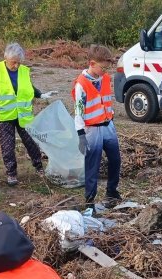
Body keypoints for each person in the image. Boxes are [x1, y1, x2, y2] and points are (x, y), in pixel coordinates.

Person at [0, 43, 56, 186]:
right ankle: (11, 173)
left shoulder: (24, 71)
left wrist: (41, 94)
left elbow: (29, 87)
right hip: (4, 116)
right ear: (5, 58)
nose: (16, 65)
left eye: (18, 62)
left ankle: (39, 167)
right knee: (7, 146)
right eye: (13, 62)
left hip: (23, 115)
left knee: (32, 142)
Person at [72, 44, 122, 212]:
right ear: (92, 63)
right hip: (91, 129)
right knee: (92, 164)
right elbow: (78, 111)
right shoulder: (81, 84)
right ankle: (89, 201)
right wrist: (80, 135)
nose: (105, 71)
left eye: (107, 68)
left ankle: (111, 192)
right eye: (103, 68)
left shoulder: (105, 78)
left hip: (108, 125)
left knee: (115, 160)